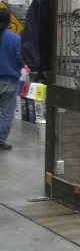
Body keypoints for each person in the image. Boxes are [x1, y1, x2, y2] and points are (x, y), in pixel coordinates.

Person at [0, 8, 25, 150]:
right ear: (9, 21)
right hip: (9, 80)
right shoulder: (14, 38)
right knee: (6, 113)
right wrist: (16, 67)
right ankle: (0, 141)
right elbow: (20, 59)